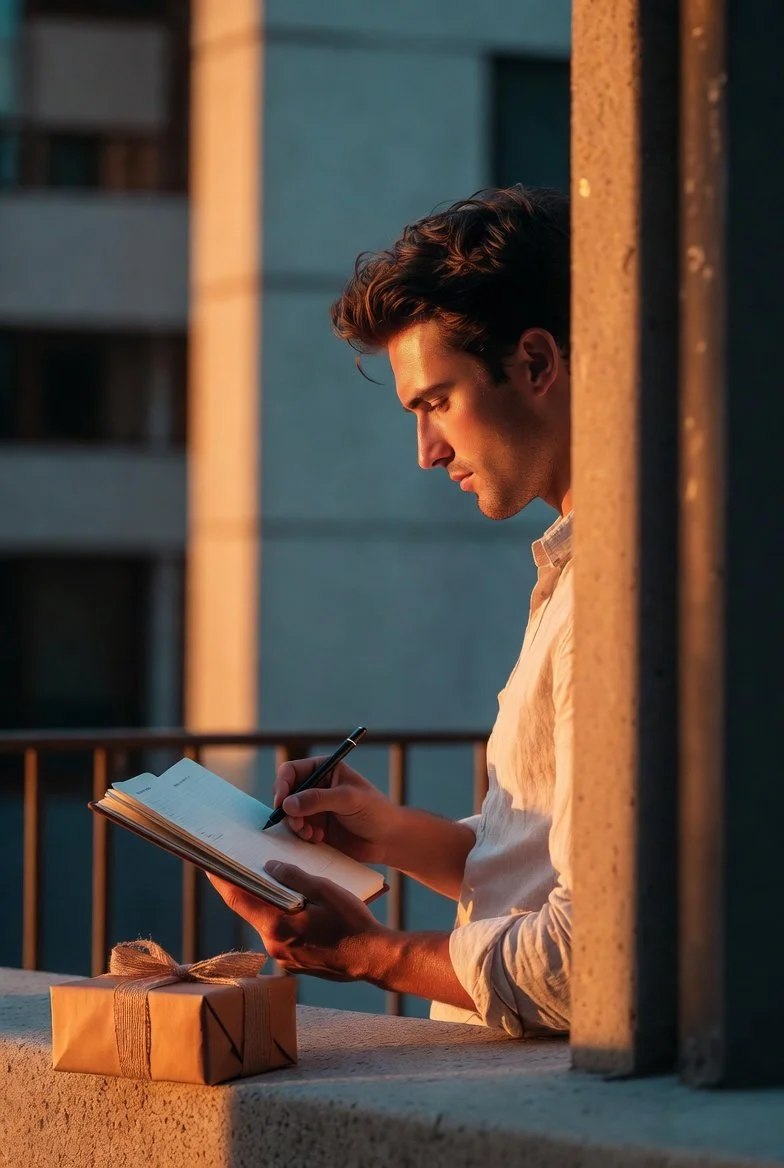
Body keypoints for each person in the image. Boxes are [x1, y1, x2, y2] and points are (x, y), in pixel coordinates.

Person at [209, 186, 573, 1036]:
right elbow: (540, 867)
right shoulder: (572, 570)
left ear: (535, 362)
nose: (427, 451)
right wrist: (386, 834)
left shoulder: (618, 603)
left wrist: (371, 955)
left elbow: (591, 954)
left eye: (436, 402)